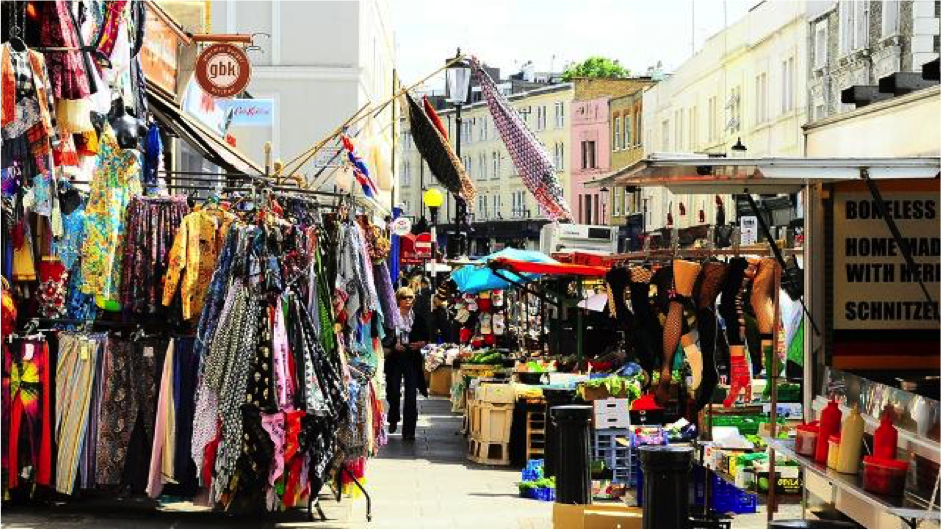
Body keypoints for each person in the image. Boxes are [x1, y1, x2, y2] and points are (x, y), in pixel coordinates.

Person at [384, 287, 429, 440]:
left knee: (411, 394)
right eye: (405, 298)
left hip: (412, 358)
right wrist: (393, 345)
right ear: (398, 300)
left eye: (410, 297)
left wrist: (420, 344)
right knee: (393, 391)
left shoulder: (418, 318)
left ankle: (409, 430)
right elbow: (384, 337)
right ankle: (393, 417)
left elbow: (426, 336)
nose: (408, 300)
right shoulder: (391, 318)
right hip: (394, 359)